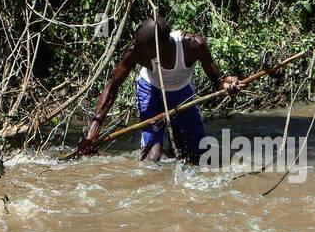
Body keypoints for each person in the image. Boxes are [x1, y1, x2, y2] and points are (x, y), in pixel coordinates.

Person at [76, 17, 241, 162]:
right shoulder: (136, 53)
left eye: (142, 48)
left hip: (182, 93)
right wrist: (92, 133)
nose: (136, 51)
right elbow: (112, 89)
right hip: (151, 91)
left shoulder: (193, 45)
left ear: (160, 47)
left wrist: (229, 84)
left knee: (197, 155)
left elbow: (218, 81)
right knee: (152, 157)